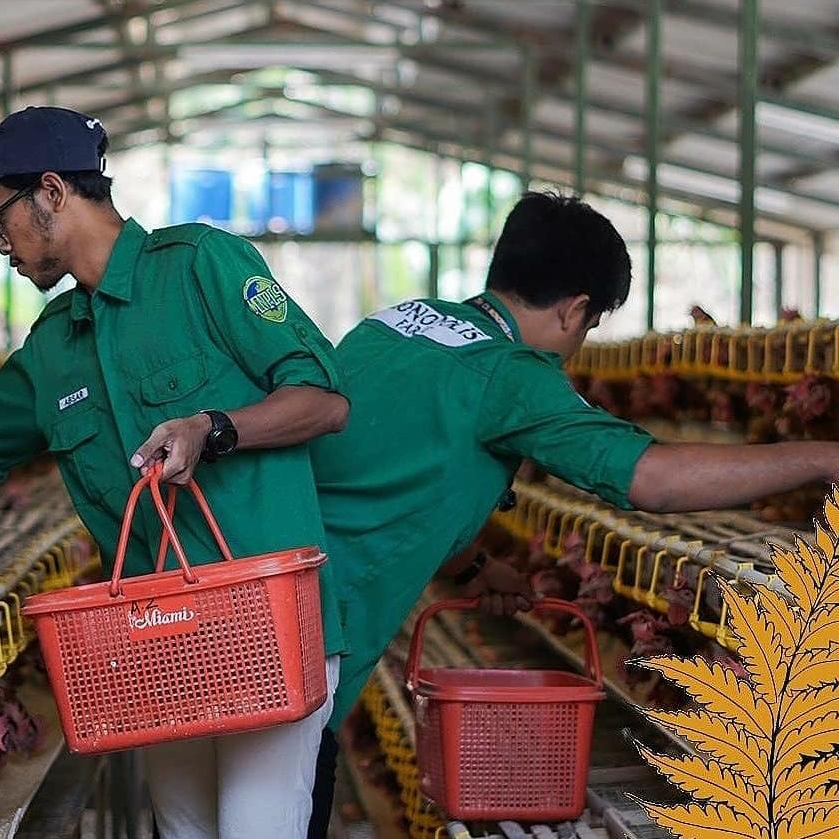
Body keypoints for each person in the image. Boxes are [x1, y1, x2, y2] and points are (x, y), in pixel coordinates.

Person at [0, 106, 350, 839]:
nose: (0, 245)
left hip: (267, 625)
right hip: (161, 634)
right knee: (184, 830)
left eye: (0, 219)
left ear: (52, 192)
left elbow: (324, 400)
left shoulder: (200, 267)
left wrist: (214, 427)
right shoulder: (55, 344)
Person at [304, 190, 839, 837]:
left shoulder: (397, 322)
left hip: (269, 599)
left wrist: (475, 564)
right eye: (589, 329)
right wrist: (821, 456)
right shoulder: (510, 373)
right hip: (320, 631)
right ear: (576, 310)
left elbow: (390, 471)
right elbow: (652, 478)